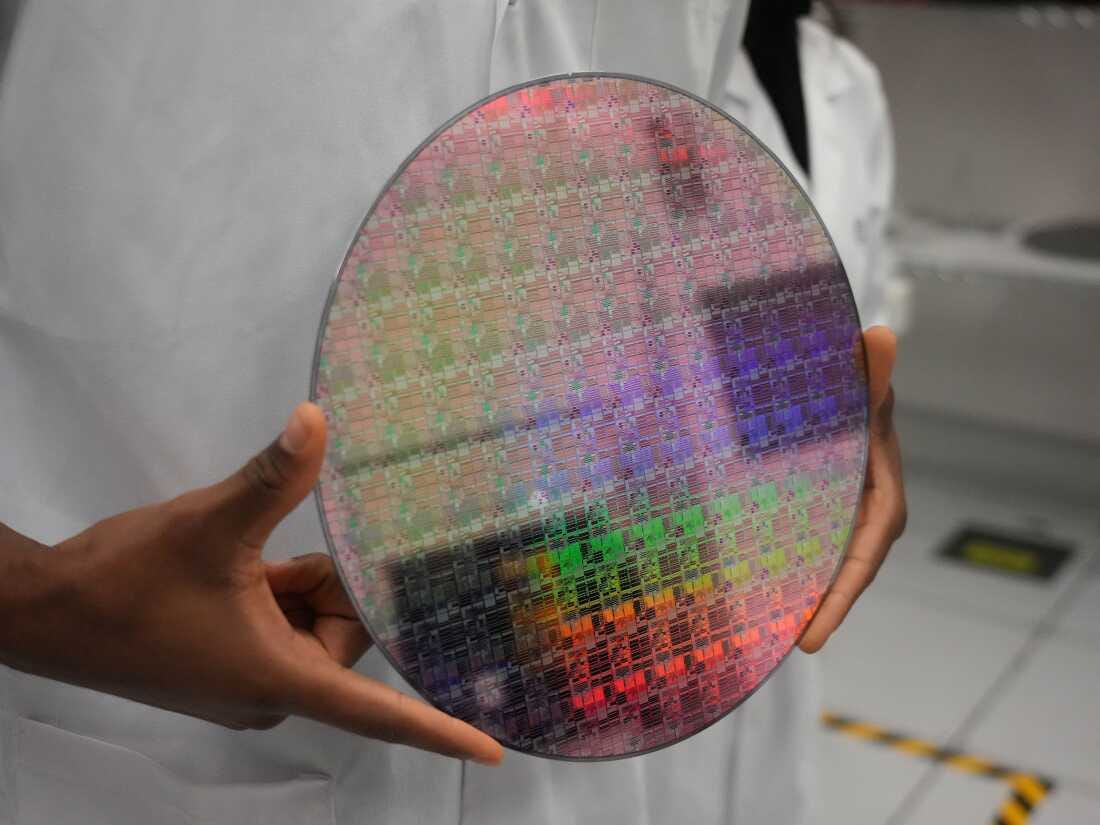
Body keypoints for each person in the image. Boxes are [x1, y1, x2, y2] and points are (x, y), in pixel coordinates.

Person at [0, 2, 905, 823]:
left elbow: (677, 157)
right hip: (133, 726)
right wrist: (37, 601)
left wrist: (815, 401)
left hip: (585, 704)